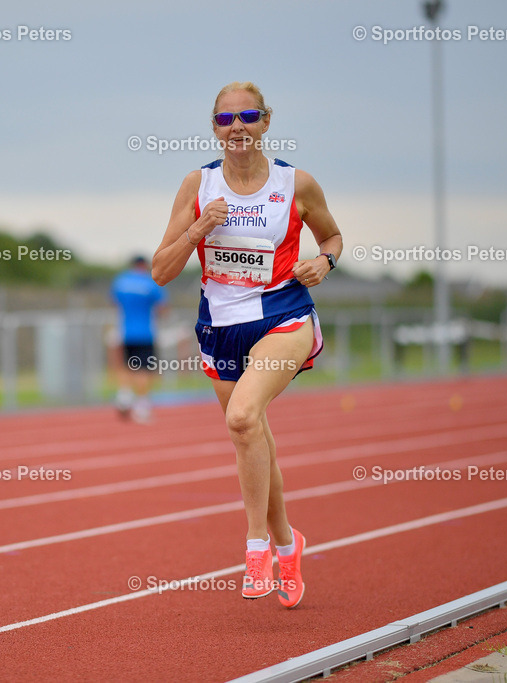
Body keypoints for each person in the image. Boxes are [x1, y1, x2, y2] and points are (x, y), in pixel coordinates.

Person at [152, 82, 342, 608]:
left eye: (248, 116)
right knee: (252, 432)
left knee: (241, 418)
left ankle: (256, 545)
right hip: (220, 326)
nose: (236, 127)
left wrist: (323, 262)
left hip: (285, 314)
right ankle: (288, 541)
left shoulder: (295, 183)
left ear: (265, 122)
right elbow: (161, 271)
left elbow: (332, 237)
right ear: (213, 127)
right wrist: (197, 231)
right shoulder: (198, 185)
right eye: (224, 119)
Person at [111, 255, 168, 423]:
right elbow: (162, 308)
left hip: (125, 331)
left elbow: (115, 302)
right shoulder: (151, 283)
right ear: (144, 265)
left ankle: (124, 395)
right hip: (146, 333)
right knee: (144, 369)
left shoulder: (121, 281)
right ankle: (142, 407)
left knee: (126, 365)